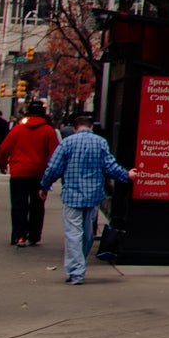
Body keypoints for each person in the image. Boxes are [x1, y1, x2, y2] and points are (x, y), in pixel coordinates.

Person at [38, 113, 133, 285]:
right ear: (91, 127)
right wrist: (126, 175)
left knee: (73, 233)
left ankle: (76, 271)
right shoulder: (100, 142)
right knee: (88, 233)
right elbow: (110, 166)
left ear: (75, 128)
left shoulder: (67, 143)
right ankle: (79, 265)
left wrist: (45, 185)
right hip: (93, 195)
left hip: (72, 195)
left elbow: (53, 168)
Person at [0, 104, 61, 247]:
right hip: (39, 173)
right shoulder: (48, 131)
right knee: (37, 205)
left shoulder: (18, 129)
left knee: (19, 204)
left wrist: (3, 166)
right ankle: (34, 235)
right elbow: (55, 155)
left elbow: (4, 148)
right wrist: (53, 175)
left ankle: (19, 235)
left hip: (19, 172)